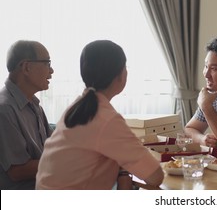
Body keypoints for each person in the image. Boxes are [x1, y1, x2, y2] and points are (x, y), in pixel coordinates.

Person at [36, 40, 164, 189]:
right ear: (120, 75)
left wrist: (123, 172)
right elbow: (156, 177)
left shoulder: (77, 108)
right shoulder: (106, 119)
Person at [0, 40, 54, 190]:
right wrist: (65, 159)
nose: (52, 71)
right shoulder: (4, 110)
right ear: (26, 67)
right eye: (47, 63)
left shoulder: (35, 105)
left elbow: (51, 148)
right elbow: (17, 171)